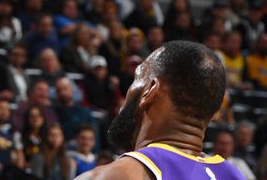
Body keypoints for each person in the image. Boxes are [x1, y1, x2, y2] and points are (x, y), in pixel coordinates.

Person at [78, 40, 245, 180]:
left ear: (150, 91)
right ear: (215, 112)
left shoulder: (117, 175)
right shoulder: (235, 175)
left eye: (138, 77)